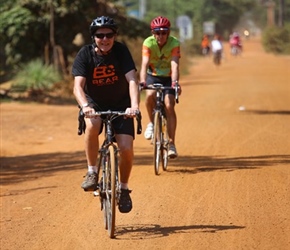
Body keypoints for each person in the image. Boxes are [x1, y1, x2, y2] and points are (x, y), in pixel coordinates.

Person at [72, 16, 140, 213]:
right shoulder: (85, 54)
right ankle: (92, 172)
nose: (105, 39)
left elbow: (132, 80)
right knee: (93, 125)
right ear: (94, 37)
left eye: (109, 34)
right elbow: (78, 86)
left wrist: (134, 106)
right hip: (94, 103)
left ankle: (124, 189)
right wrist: (85, 106)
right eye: (100, 35)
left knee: (126, 147)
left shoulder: (121, 51)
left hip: (122, 104)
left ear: (115, 35)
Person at [139, 16, 181, 159]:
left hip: (169, 77)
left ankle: (171, 143)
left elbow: (175, 64)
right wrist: (143, 81)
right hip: (153, 75)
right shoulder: (148, 43)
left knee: (169, 105)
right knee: (149, 96)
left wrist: (175, 82)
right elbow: (144, 64)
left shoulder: (174, 43)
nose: (161, 36)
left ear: (168, 33)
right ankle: (151, 123)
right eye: (157, 32)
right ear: (153, 33)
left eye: (164, 32)